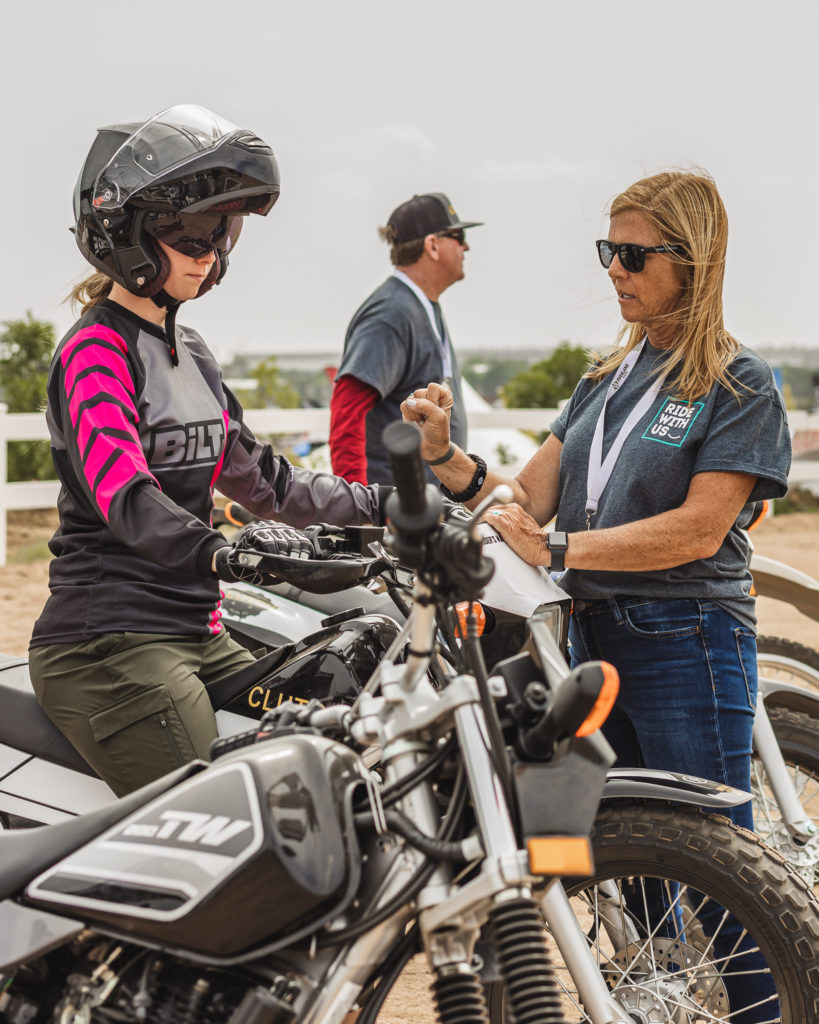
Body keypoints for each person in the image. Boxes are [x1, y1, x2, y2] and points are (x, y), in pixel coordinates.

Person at [403, 170, 790, 1023]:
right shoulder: (603, 380)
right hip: (592, 644)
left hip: (687, 639)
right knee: (632, 867)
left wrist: (564, 549)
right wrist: (448, 461)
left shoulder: (737, 384)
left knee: (725, 881)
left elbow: (697, 529)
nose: (613, 270)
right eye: (606, 251)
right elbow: (524, 503)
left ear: (692, 262)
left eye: (631, 254)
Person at [28, 105, 390, 798]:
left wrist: (386, 504)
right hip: (109, 645)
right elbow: (127, 498)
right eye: (187, 233)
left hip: (199, 634)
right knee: (240, 823)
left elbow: (269, 485)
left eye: (219, 233)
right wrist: (227, 552)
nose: (208, 252)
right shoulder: (94, 353)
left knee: (339, 721)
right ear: (125, 234)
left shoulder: (190, 353)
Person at [329, 192, 481, 485]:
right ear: (432, 245)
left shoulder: (417, 304)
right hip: (395, 513)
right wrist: (358, 508)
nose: (466, 246)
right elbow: (347, 411)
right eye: (458, 235)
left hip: (419, 510)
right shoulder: (391, 313)